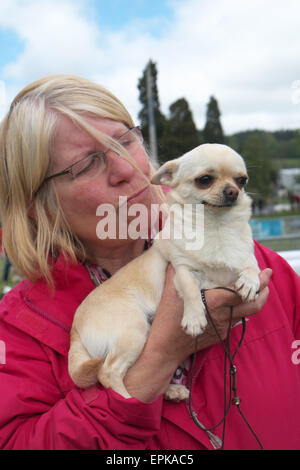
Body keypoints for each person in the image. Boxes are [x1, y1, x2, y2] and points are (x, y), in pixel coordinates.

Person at [0, 75, 299, 451]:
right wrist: (158, 359)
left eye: (126, 140)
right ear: (36, 201)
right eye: (87, 164)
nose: (126, 167)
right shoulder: (20, 330)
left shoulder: (257, 263)